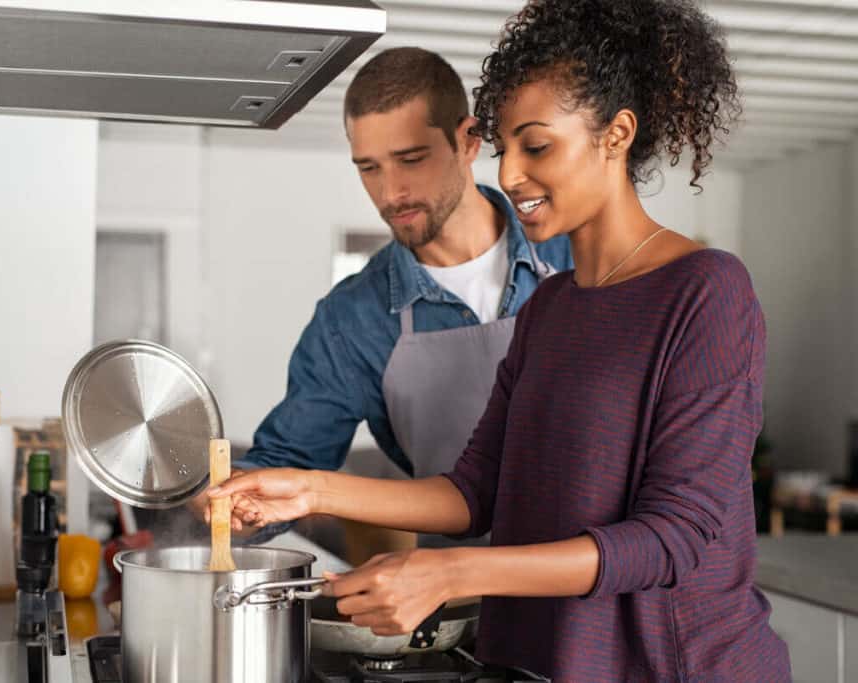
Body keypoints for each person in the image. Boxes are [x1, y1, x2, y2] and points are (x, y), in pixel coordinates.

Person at [209, 1, 792, 680]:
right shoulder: (549, 307)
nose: (511, 174)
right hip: (542, 661)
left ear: (617, 134)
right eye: (507, 145)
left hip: (672, 666)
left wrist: (451, 570)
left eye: (536, 145)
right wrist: (310, 491)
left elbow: (672, 537)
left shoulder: (706, 290)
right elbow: (473, 491)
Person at [195, 47, 571, 547]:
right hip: (450, 602)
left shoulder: (576, 257)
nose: (391, 192)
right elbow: (291, 460)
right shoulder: (351, 320)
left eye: (410, 160)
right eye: (368, 168)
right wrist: (236, 495)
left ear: (468, 141)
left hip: (595, 590)